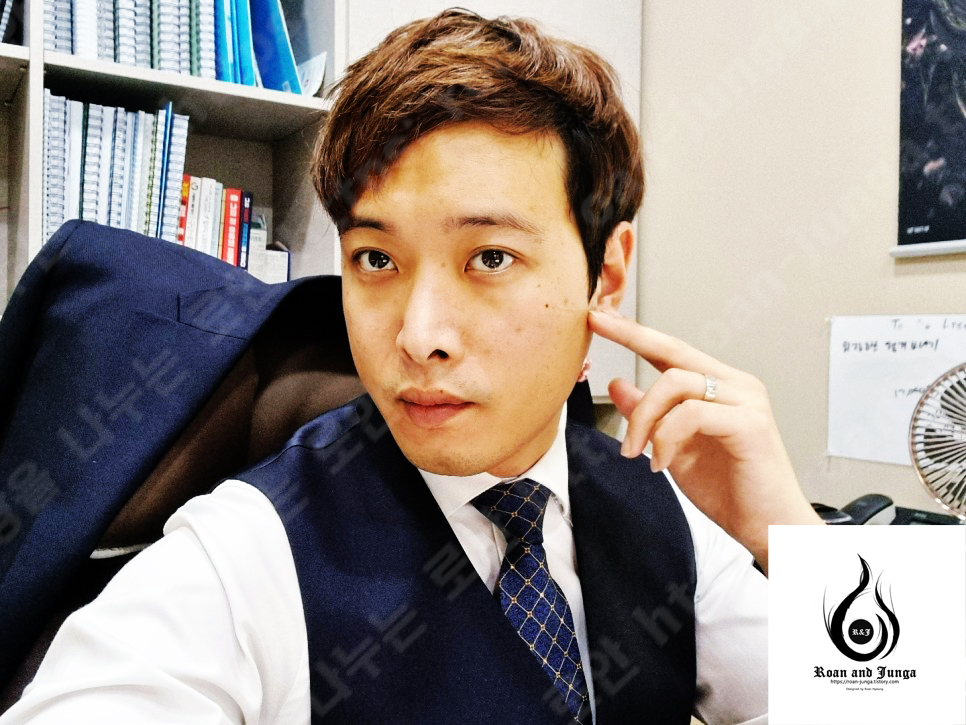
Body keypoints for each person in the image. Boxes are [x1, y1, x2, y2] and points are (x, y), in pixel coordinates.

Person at [0, 9, 823, 724]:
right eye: (376, 260)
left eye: (490, 257)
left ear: (606, 275)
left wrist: (794, 537)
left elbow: (879, 696)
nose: (419, 335)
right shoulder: (250, 553)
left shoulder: (658, 503)